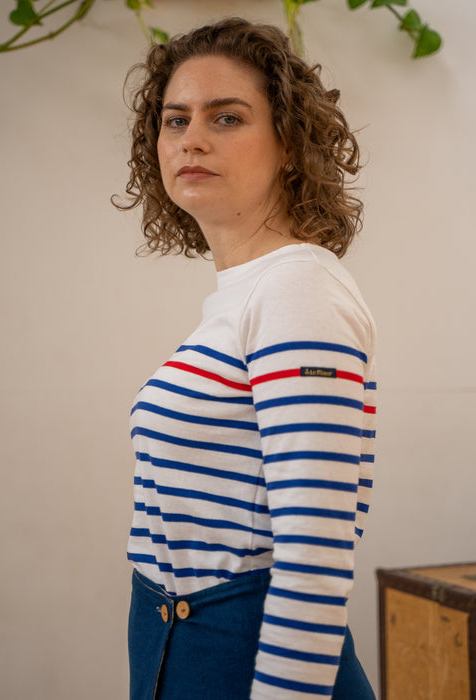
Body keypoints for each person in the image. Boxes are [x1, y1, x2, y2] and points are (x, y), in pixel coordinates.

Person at [117, 16, 377, 700]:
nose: (192, 138)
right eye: (176, 120)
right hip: (180, 643)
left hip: (245, 654)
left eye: (226, 117)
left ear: (290, 144)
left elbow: (315, 558)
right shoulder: (245, 296)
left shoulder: (297, 290)